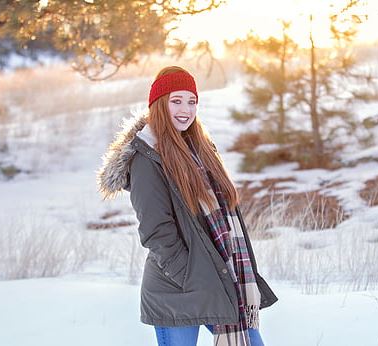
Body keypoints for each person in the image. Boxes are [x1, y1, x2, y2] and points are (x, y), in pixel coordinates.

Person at [97, 66, 278, 346]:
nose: (186, 109)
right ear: (159, 105)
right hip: (177, 289)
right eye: (176, 101)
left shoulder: (202, 149)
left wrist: (212, 277)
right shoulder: (147, 158)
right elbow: (156, 232)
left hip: (221, 278)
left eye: (191, 101)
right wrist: (191, 277)